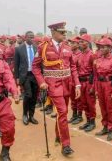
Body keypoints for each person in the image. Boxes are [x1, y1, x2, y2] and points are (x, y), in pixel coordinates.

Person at [32, 22, 81, 156]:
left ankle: (58, 136)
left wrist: (77, 84)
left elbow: (73, 67)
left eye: (65, 32)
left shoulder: (67, 47)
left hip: (67, 84)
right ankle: (66, 145)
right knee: (63, 112)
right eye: (62, 32)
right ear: (53, 32)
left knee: (62, 113)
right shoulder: (43, 47)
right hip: (53, 85)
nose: (64, 34)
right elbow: (35, 67)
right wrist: (41, 82)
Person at [94, 38, 112, 141]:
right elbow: (95, 76)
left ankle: (110, 129)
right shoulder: (98, 60)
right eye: (100, 47)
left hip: (109, 85)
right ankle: (104, 126)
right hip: (100, 84)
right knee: (102, 106)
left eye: (104, 47)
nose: (102, 49)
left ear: (109, 48)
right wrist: (96, 89)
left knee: (109, 108)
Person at [14, 31, 39, 126]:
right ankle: (25, 115)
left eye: (33, 37)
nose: (32, 39)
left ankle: (31, 115)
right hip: (25, 75)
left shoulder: (36, 48)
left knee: (34, 96)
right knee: (28, 95)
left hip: (35, 75)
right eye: (30, 37)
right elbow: (16, 65)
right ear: (25, 37)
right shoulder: (19, 49)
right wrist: (16, 77)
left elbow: (39, 62)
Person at [76, 34, 97, 132]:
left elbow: (95, 72)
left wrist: (92, 85)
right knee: (84, 102)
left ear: (88, 43)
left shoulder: (92, 55)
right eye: (80, 42)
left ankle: (92, 122)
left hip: (89, 81)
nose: (80, 43)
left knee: (90, 103)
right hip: (81, 81)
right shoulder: (80, 55)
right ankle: (88, 120)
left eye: (82, 42)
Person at [67, 37, 83, 124]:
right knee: (72, 98)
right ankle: (74, 114)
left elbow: (79, 68)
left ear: (77, 44)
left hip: (77, 79)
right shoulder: (70, 54)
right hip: (70, 80)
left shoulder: (80, 55)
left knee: (78, 99)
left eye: (73, 43)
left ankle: (79, 116)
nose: (71, 44)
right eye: (71, 43)